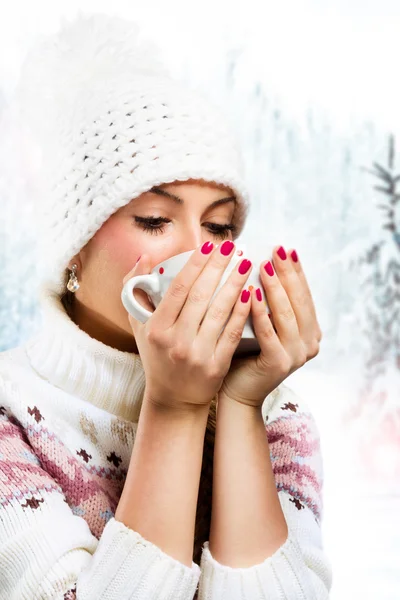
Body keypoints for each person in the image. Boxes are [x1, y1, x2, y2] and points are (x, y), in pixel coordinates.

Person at [0, 12, 332, 600]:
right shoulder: (11, 417)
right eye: (155, 219)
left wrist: (236, 402)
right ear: (73, 250)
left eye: (219, 226)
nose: (196, 252)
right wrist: (174, 406)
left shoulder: (275, 409)